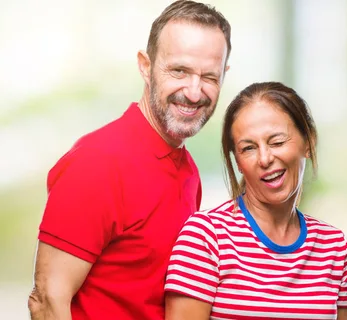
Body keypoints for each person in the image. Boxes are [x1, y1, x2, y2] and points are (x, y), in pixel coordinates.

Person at [27, 1, 231, 319]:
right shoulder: (98, 162)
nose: (194, 92)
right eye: (179, 70)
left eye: (209, 77)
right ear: (145, 66)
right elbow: (47, 299)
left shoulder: (188, 170)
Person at [163, 82, 347, 320]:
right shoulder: (205, 238)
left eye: (277, 142)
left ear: (308, 142)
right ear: (238, 163)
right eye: (249, 148)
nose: (265, 159)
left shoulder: (335, 249)